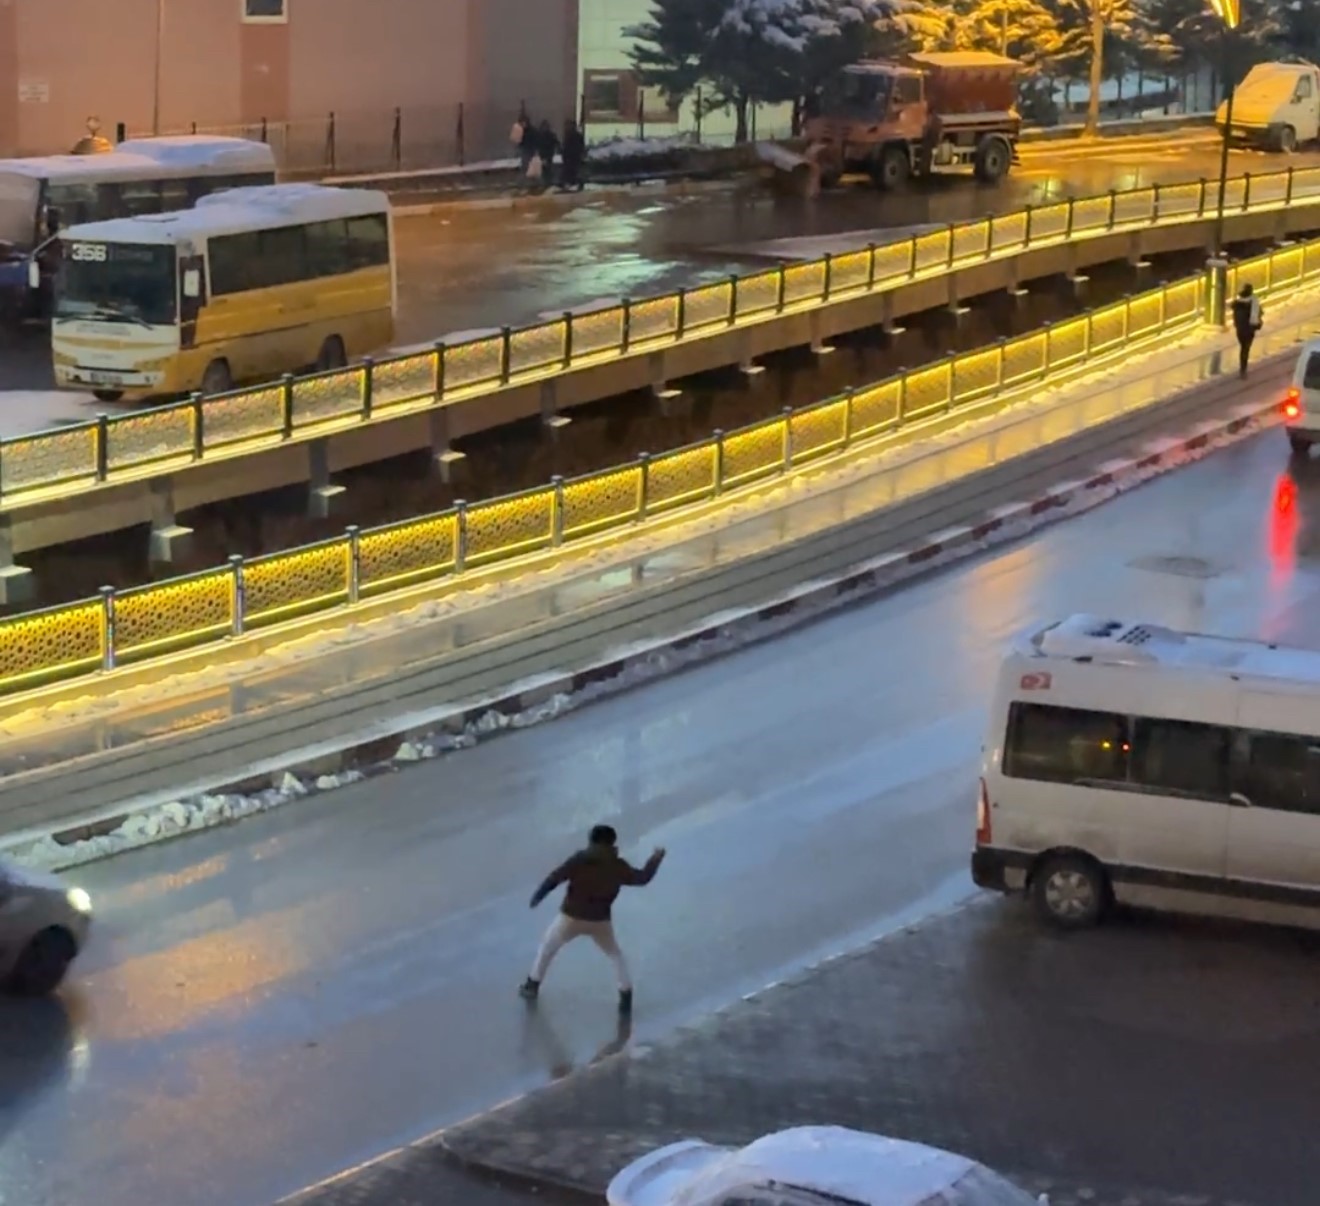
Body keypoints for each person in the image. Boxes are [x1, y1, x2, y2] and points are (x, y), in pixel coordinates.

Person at [520, 824, 666, 1013]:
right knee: (615, 955)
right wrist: (655, 859)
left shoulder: (580, 859)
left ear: (591, 840)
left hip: (571, 916)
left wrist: (538, 896)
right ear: (612, 842)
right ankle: (626, 995)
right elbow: (643, 878)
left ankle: (532, 985)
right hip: (600, 920)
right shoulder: (617, 865)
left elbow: (555, 878)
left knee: (548, 947)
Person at [1231, 282, 1263, 378]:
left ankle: (1243, 369)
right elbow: (1257, 317)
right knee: (1245, 349)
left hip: (1239, 330)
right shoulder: (1253, 303)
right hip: (1249, 330)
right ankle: (1243, 370)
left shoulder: (1237, 303)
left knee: (1243, 348)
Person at [561, 118, 586, 192]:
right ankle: (573, 185)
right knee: (571, 172)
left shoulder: (573, 136)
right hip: (571, 157)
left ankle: (573, 185)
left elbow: (579, 147)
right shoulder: (569, 135)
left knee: (572, 172)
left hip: (572, 157)